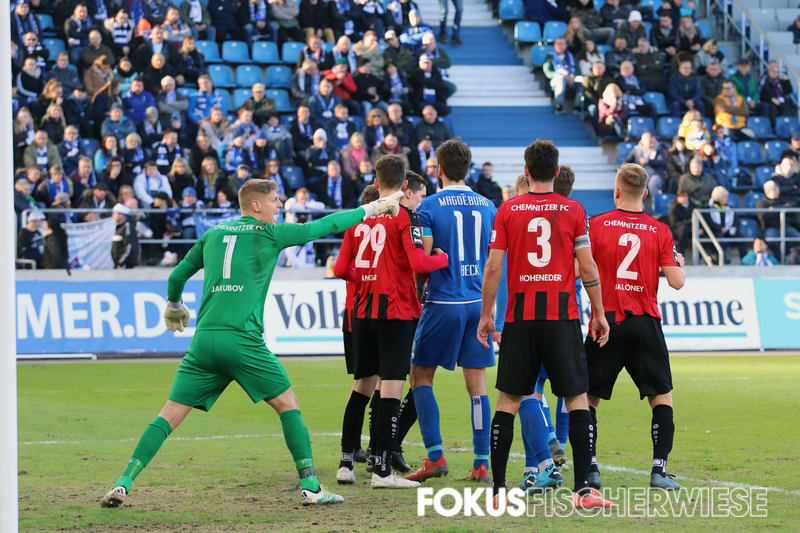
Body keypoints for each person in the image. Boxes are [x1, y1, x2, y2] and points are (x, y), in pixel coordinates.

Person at [99, 175, 404, 508]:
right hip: (242, 340)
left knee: (169, 414)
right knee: (288, 404)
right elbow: (325, 225)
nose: (280, 206)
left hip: (203, 341)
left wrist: (174, 304)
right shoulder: (269, 233)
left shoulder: (213, 234)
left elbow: (176, 276)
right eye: (275, 200)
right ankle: (311, 487)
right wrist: (373, 208)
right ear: (256, 205)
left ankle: (123, 482)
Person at [477, 140, 614, 509]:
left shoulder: (508, 210)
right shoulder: (574, 210)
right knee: (576, 398)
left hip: (520, 319)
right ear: (556, 172)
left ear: (526, 171)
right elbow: (588, 267)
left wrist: (487, 314)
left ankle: (499, 491)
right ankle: (583, 491)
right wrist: (599, 312)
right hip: (561, 318)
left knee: (508, 401)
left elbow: (493, 266)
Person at [333, 154, 447, 488]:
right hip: (395, 313)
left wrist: (368, 278)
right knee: (391, 391)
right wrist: (442, 259)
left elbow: (340, 269)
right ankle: (382, 470)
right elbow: (420, 264)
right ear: (405, 185)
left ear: (376, 181)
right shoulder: (403, 217)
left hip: (362, 313)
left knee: (361, 388)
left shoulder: (357, 219)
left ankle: (345, 463)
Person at [584, 163, 685, 491]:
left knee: (588, 399)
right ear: (646, 193)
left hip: (605, 322)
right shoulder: (659, 230)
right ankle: (659, 470)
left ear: (616, 191)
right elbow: (677, 281)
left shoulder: (596, 225)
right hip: (644, 323)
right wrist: (678, 263)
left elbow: (579, 269)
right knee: (661, 397)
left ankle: (590, 469)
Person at [401, 138, 496, 484]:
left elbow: (424, 260)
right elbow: (493, 261)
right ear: (468, 169)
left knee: (420, 376)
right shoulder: (488, 206)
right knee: (478, 385)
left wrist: (417, 288)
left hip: (443, 302)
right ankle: (481, 462)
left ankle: (435, 457)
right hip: (477, 304)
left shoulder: (428, 206)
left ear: (439, 169)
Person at [757, 180, 800, 253]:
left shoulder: (782, 199)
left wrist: (774, 209)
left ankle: (785, 253)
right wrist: (783, 209)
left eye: (777, 189)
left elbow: (791, 207)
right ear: (768, 191)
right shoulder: (761, 203)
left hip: (786, 226)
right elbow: (765, 216)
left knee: (798, 238)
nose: (777, 191)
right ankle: (779, 255)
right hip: (770, 227)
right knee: (770, 240)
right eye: (774, 189)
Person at [544, 37, 582, 115]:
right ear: (554, 45)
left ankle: (577, 106)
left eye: (562, 44)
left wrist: (573, 76)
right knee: (561, 79)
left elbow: (578, 70)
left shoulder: (571, 56)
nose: (560, 46)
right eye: (558, 44)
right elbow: (548, 72)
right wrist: (561, 75)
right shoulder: (550, 56)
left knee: (583, 81)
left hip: (571, 78)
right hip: (557, 79)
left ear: (566, 46)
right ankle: (559, 106)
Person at [110, 203, 139, 269]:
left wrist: (121, 262)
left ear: (121, 215)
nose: (112, 215)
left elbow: (129, 246)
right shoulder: (120, 227)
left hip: (125, 265)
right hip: (119, 264)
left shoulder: (127, 226)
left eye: (115, 213)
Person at [668, 189, 694, 255]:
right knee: (683, 229)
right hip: (677, 230)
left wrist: (700, 228)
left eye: (685, 196)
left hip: (692, 229)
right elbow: (674, 223)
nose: (683, 198)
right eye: (681, 196)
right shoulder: (674, 207)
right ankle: (680, 253)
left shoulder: (693, 206)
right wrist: (689, 221)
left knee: (703, 234)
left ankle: (707, 257)